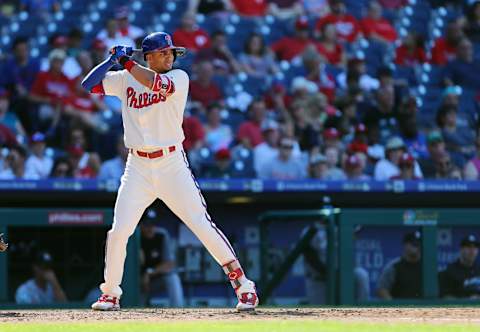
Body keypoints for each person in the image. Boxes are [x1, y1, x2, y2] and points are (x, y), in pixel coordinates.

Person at [81, 32, 258, 311]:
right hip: (137, 166)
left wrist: (126, 61)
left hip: (171, 163)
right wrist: (110, 60)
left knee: (201, 223)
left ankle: (244, 286)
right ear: (148, 56)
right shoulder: (126, 78)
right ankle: (111, 294)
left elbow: (155, 84)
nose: (169, 56)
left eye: (170, 52)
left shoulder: (179, 78)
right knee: (118, 231)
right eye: (162, 52)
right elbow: (89, 85)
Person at [140, 208, 184, 307]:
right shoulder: (134, 236)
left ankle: (178, 310)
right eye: (147, 224)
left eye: (153, 224)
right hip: (137, 281)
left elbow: (170, 264)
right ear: (141, 225)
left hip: (155, 279)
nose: (150, 228)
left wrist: (149, 273)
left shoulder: (161, 235)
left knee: (172, 277)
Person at [377, 231, 422, 299]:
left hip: (423, 307)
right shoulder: (394, 266)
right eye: (413, 244)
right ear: (405, 245)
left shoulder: (428, 267)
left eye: (418, 244)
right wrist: (393, 306)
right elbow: (382, 289)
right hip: (401, 307)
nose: (415, 247)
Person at [439, 234, 480, 298]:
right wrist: (466, 302)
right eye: (468, 247)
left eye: (475, 247)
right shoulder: (451, 271)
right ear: (461, 249)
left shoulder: (478, 270)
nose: (472, 250)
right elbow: (446, 297)